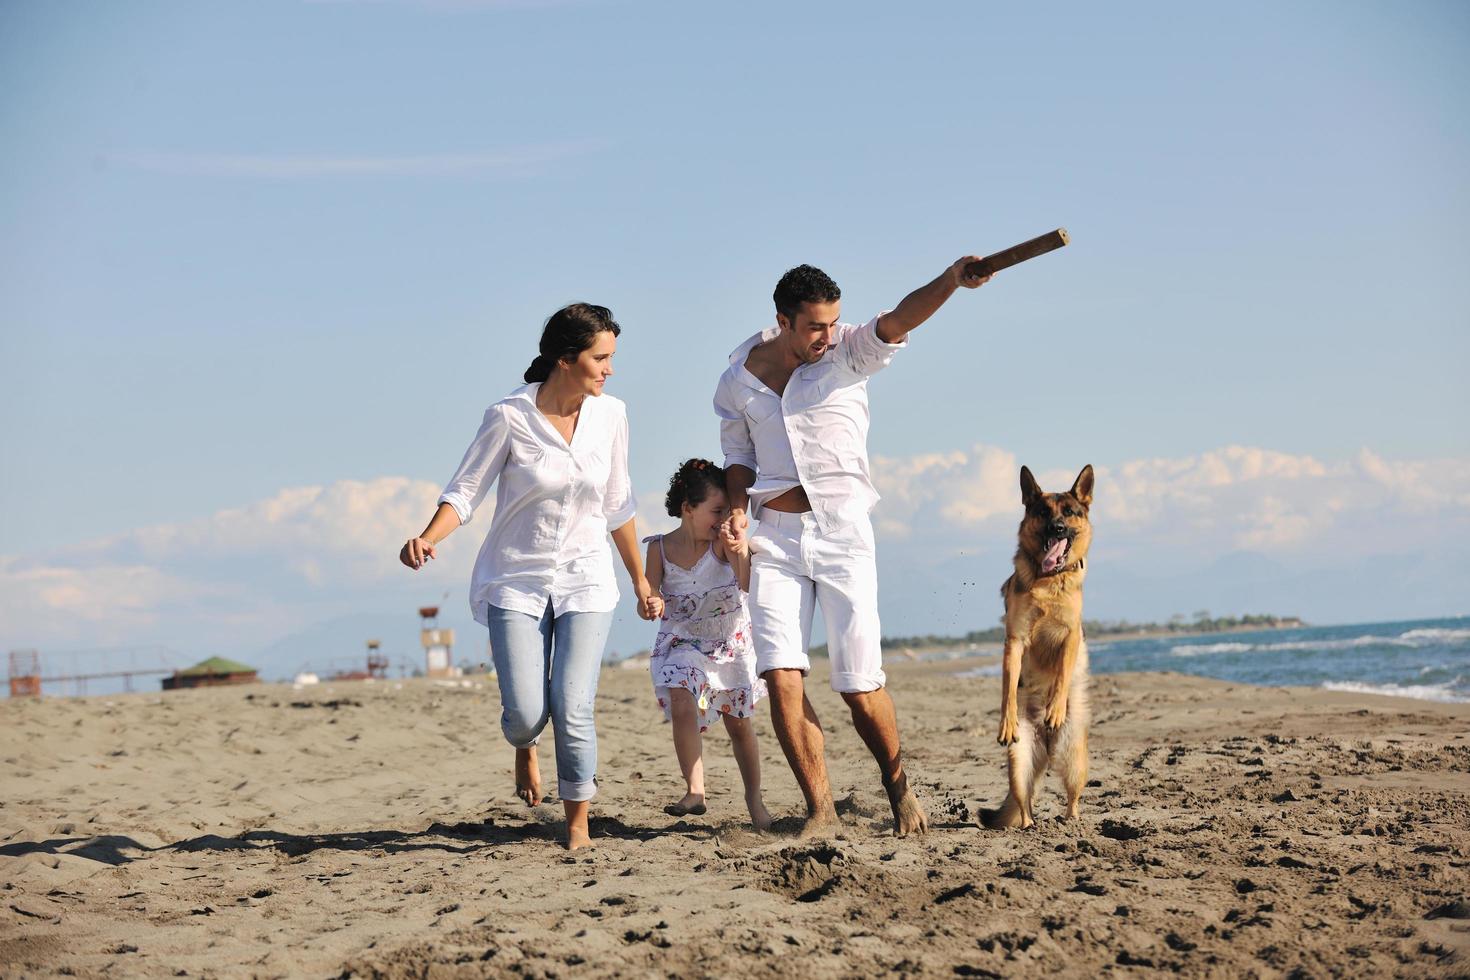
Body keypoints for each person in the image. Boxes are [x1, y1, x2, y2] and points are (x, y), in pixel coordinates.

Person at [713, 259, 990, 836]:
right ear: (783, 321)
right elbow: (737, 459)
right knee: (781, 676)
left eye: (835, 322)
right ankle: (821, 809)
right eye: (815, 325)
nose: (828, 334)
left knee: (860, 686)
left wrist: (949, 282)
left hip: (843, 537)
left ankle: (898, 788)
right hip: (776, 542)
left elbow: (897, 320)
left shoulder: (847, 356)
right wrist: (738, 509)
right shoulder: (737, 381)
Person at [399, 302, 657, 851]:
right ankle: (524, 745)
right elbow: (466, 490)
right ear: (566, 360)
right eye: (601, 358)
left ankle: (577, 825)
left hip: (586, 577)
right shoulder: (509, 416)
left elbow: (619, 504)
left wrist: (640, 581)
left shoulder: (612, 415)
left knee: (573, 702)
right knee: (525, 715)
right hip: (516, 578)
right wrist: (427, 536)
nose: (609, 369)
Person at [643, 459, 772, 830]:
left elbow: (747, 582)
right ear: (688, 509)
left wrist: (739, 549)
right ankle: (695, 790)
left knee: (739, 725)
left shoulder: (722, 545)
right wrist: (651, 602)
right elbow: (649, 596)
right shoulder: (660, 549)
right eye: (716, 511)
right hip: (684, 641)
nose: (721, 519)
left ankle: (754, 800)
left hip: (728, 643)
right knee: (682, 697)